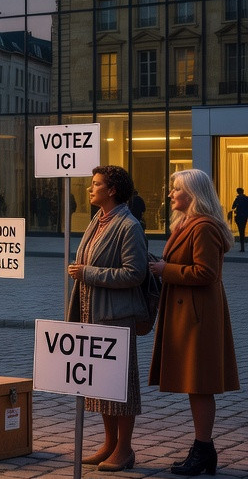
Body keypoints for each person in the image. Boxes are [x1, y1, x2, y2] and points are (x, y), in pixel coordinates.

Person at [148, 169, 240, 476]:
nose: (171, 194)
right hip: (190, 313)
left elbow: (206, 273)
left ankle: (202, 450)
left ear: (194, 194)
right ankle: (204, 450)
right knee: (194, 384)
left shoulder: (203, 227)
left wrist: (165, 269)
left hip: (197, 317)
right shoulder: (188, 224)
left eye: (176, 189)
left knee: (200, 385)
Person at [66, 164, 148, 472]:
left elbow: (135, 273)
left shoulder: (128, 226)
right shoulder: (98, 221)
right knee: (100, 384)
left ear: (111, 190)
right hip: (92, 314)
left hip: (116, 317)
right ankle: (109, 443)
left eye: (96, 184)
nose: (90, 188)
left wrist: (88, 273)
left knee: (121, 386)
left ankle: (124, 449)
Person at [230, 187, 248, 252]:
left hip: (239, 216)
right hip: (245, 216)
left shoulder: (237, 199)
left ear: (238, 192)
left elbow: (233, 206)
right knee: (242, 230)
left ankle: (242, 247)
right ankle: (242, 247)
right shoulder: (246, 198)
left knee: (241, 231)